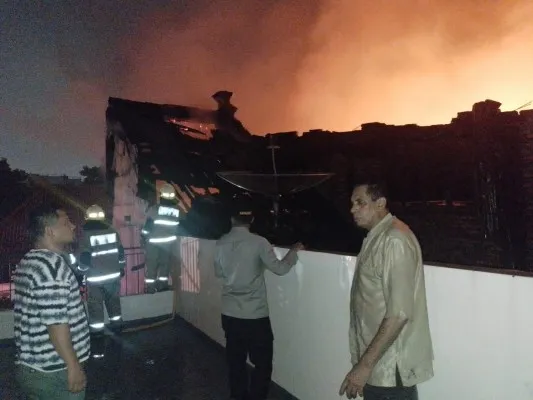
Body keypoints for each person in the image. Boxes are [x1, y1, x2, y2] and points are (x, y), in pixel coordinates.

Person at [339, 184, 434, 399]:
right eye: (352, 203)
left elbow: (399, 314)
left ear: (380, 203)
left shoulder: (394, 239)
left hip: (389, 368)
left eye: (360, 203)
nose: (353, 209)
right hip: (379, 366)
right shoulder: (379, 237)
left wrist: (364, 366)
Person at [214, 198, 304, 400]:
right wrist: (292, 252)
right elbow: (280, 269)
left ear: (231, 219)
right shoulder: (259, 242)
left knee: (235, 362)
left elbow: (219, 273)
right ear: (251, 220)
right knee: (262, 363)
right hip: (255, 316)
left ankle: (238, 396)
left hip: (229, 313)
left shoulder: (220, 242)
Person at [13, 205, 90, 399]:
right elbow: (56, 323)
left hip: (33, 366)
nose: (73, 226)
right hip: (56, 371)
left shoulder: (29, 261)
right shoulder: (52, 267)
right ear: (50, 231)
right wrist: (73, 366)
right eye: (66, 222)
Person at [79, 204, 125, 340]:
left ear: (87, 218)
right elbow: (121, 253)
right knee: (114, 302)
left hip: (95, 280)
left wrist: (80, 272)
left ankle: (97, 332)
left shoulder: (85, 235)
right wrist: (121, 268)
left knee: (95, 306)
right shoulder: (112, 231)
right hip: (113, 276)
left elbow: (85, 259)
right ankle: (117, 325)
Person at [141, 183, 180, 293]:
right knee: (165, 265)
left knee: (152, 265)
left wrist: (143, 238)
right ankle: (162, 286)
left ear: (161, 196)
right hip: (168, 244)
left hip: (153, 243)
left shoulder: (155, 209)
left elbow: (147, 227)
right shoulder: (177, 210)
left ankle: (150, 288)